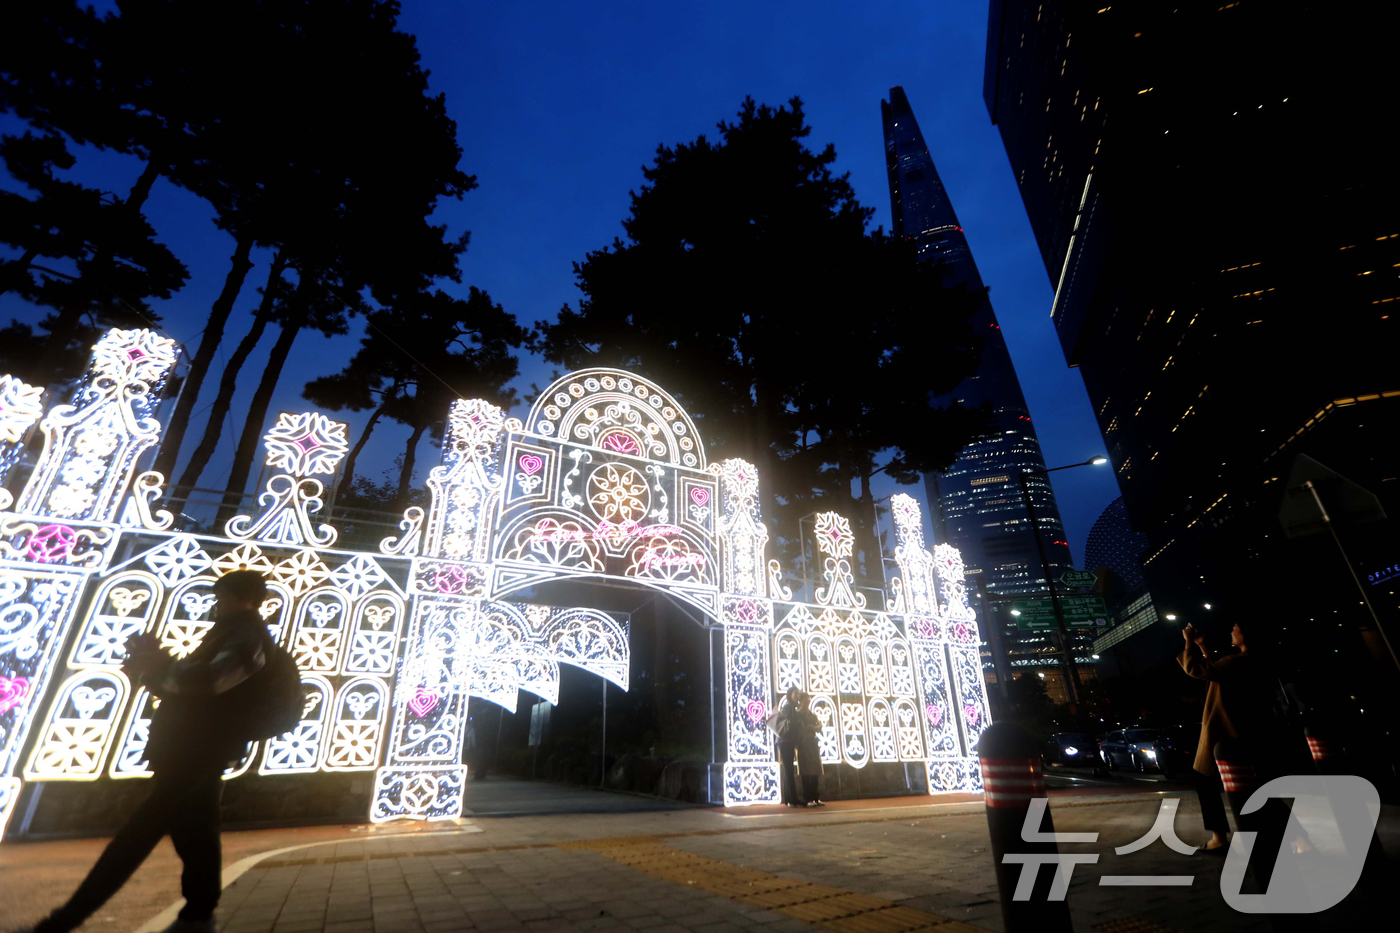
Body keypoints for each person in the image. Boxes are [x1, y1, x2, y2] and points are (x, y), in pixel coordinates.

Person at [26, 570, 274, 933]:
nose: (217, 605)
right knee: (198, 835)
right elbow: (189, 686)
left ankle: (62, 922)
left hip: (198, 752)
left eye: (223, 597)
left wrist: (158, 665)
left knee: (136, 837)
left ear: (245, 598)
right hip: (192, 749)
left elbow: (208, 682)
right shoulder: (231, 631)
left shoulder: (248, 635)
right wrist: (153, 670)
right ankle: (198, 917)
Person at [1178, 619, 1283, 851]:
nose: (1232, 631)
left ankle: (1219, 838)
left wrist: (1189, 644)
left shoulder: (1240, 662)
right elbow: (1217, 670)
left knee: (1210, 779)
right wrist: (1204, 646)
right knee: (1257, 785)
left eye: (1237, 628)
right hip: (1240, 729)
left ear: (1247, 635)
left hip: (1225, 731)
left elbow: (1197, 670)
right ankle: (1297, 838)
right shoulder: (1251, 661)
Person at [792, 692, 825, 806]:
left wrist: (814, 728)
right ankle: (808, 798)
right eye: (806, 701)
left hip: (812, 743)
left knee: (815, 770)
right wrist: (811, 728)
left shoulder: (811, 714)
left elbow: (819, 727)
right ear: (801, 701)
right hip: (804, 744)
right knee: (806, 771)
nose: (807, 703)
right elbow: (798, 729)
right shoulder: (798, 714)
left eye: (808, 701)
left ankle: (815, 797)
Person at [773, 687, 802, 806]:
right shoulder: (789, 707)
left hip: (786, 741)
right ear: (790, 695)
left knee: (789, 769)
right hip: (786, 741)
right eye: (796, 693)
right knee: (788, 769)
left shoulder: (792, 707)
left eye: (798, 693)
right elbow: (789, 723)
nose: (798, 695)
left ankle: (791, 798)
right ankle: (791, 799)